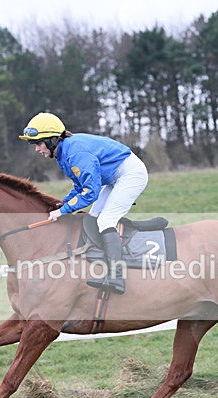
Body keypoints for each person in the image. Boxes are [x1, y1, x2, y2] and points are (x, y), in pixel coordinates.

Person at [19, 112, 148, 294]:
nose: (36, 149)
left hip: (130, 174)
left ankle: (116, 277)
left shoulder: (75, 152)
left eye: (38, 143)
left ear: (52, 140)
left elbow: (90, 193)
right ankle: (101, 263)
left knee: (105, 221)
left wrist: (64, 210)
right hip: (115, 177)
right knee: (93, 218)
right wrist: (62, 204)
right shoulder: (63, 154)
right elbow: (80, 187)